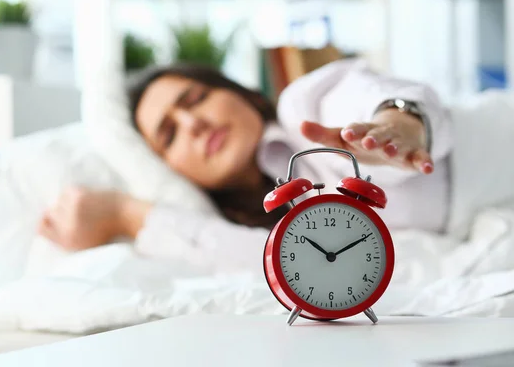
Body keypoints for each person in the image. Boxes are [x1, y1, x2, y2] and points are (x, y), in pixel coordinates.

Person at [38, 58, 454, 273]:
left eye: (196, 99)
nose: (194, 124)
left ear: (242, 93)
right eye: (170, 135)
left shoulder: (305, 111)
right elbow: (279, 266)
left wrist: (397, 124)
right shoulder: (239, 230)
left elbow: (379, 99)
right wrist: (124, 215)